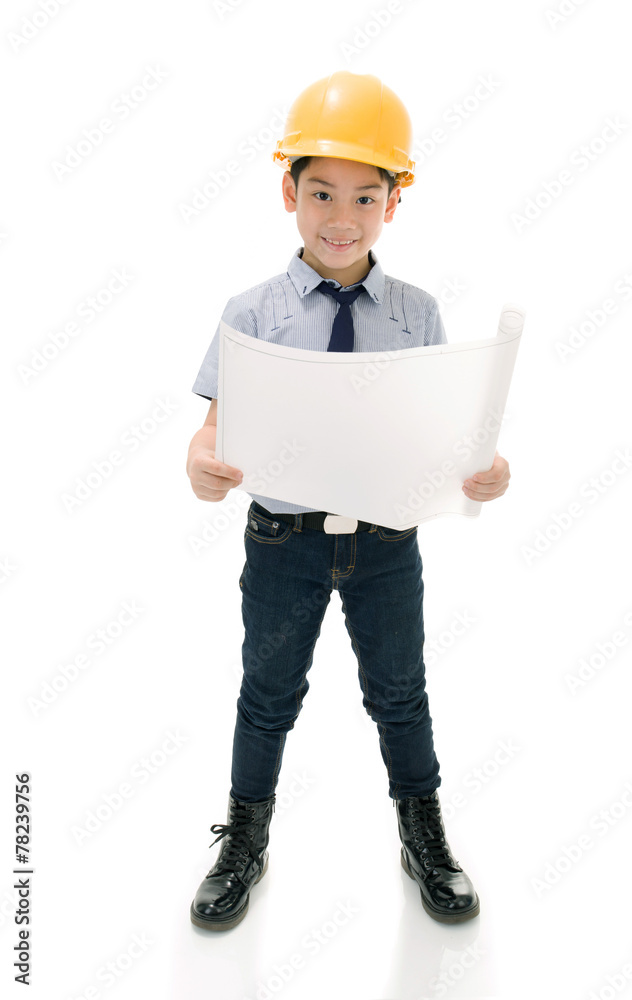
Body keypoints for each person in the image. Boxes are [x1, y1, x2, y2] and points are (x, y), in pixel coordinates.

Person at [186, 71, 511, 931]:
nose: (342, 216)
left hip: (384, 543)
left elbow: (444, 440)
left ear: (393, 205)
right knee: (267, 691)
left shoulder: (415, 314)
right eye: (322, 191)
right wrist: (204, 467)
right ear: (287, 191)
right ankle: (243, 838)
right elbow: (206, 442)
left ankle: (422, 832)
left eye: (366, 196)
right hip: (280, 540)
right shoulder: (251, 314)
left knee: (399, 691)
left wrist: (483, 470)